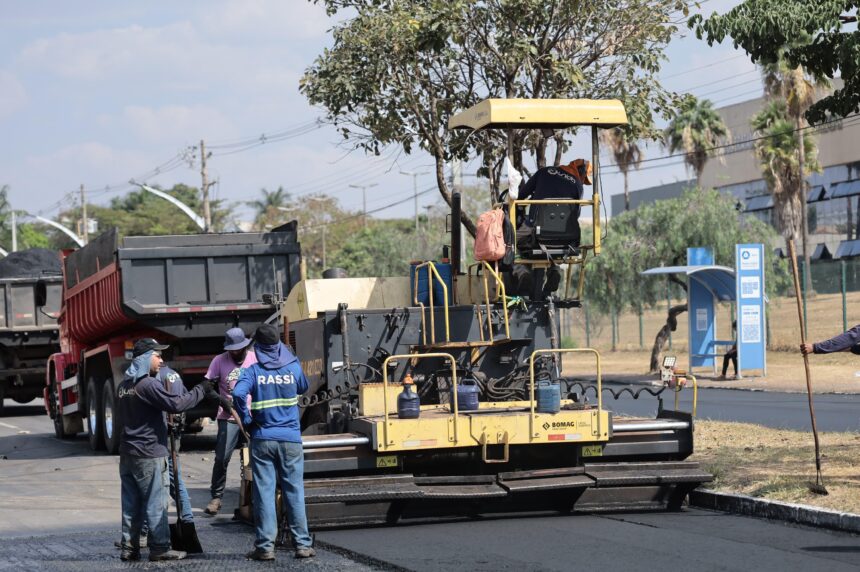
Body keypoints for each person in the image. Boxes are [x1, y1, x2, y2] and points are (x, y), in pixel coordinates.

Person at [116, 338, 212, 562]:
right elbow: (177, 404)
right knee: (155, 502)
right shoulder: (147, 384)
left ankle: (129, 549)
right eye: (157, 355)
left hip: (128, 453)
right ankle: (160, 548)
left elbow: (132, 416)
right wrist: (201, 390)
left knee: (131, 504)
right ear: (144, 358)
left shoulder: (124, 386)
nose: (161, 359)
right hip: (149, 452)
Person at [233, 324, 314, 561]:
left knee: (265, 493)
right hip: (290, 440)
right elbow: (303, 386)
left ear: (257, 348)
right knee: (294, 491)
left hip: (263, 439)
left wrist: (247, 418)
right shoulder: (293, 366)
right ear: (278, 346)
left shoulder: (253, 371)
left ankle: (265, 548)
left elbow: (238, 394)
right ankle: (302, 545)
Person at [203, 327, 257, 516]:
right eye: (231, 349)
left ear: (244, 346)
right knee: (222, 457)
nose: (234, 353)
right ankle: (216, 497)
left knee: (255, 457)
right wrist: (222, 401)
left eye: (237, 349)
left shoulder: (254, 358)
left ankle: (255, 497)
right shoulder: (219, 361)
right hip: (228, 417)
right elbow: (207, 388)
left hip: (252, 415)